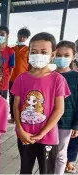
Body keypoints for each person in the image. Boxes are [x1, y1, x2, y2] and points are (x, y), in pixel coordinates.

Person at [11, 32, 71, 174]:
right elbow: (16, 105)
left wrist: (42, 133)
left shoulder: (58, 79)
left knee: (46, 171)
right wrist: (20, 129)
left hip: (48, 137)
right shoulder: (21, 78)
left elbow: (59, 109)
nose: (38, 55)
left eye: (44, 52)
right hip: (24, 135)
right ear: (29, 54)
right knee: (25, 169)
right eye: (34, 51)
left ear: (52, 54)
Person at [53, 40, 78, 174]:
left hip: (66, 123)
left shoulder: (76, 77)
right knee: (48, 152)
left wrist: (76, 125)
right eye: (58, 54)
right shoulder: (49, 76)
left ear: (73, 56)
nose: (61, 58)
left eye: (66, 55)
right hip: (48, 121)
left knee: (61, 154)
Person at [9, 28, 31, 124]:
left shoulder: (28, 50)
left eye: (24, 37)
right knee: (12, 98)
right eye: (20, 35)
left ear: (26, 38)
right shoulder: (12, 49)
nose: (21, 38)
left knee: (23, 98)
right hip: (12, 78)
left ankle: (22, 116)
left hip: (24, 79)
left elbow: (30, 65)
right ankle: (13, 117)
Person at [0, 26, 15, 99]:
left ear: (7, 36)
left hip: (3, 83)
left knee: (1, 101)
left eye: (2, 34)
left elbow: (11, 68)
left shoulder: (10, 51)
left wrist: (6, 79)